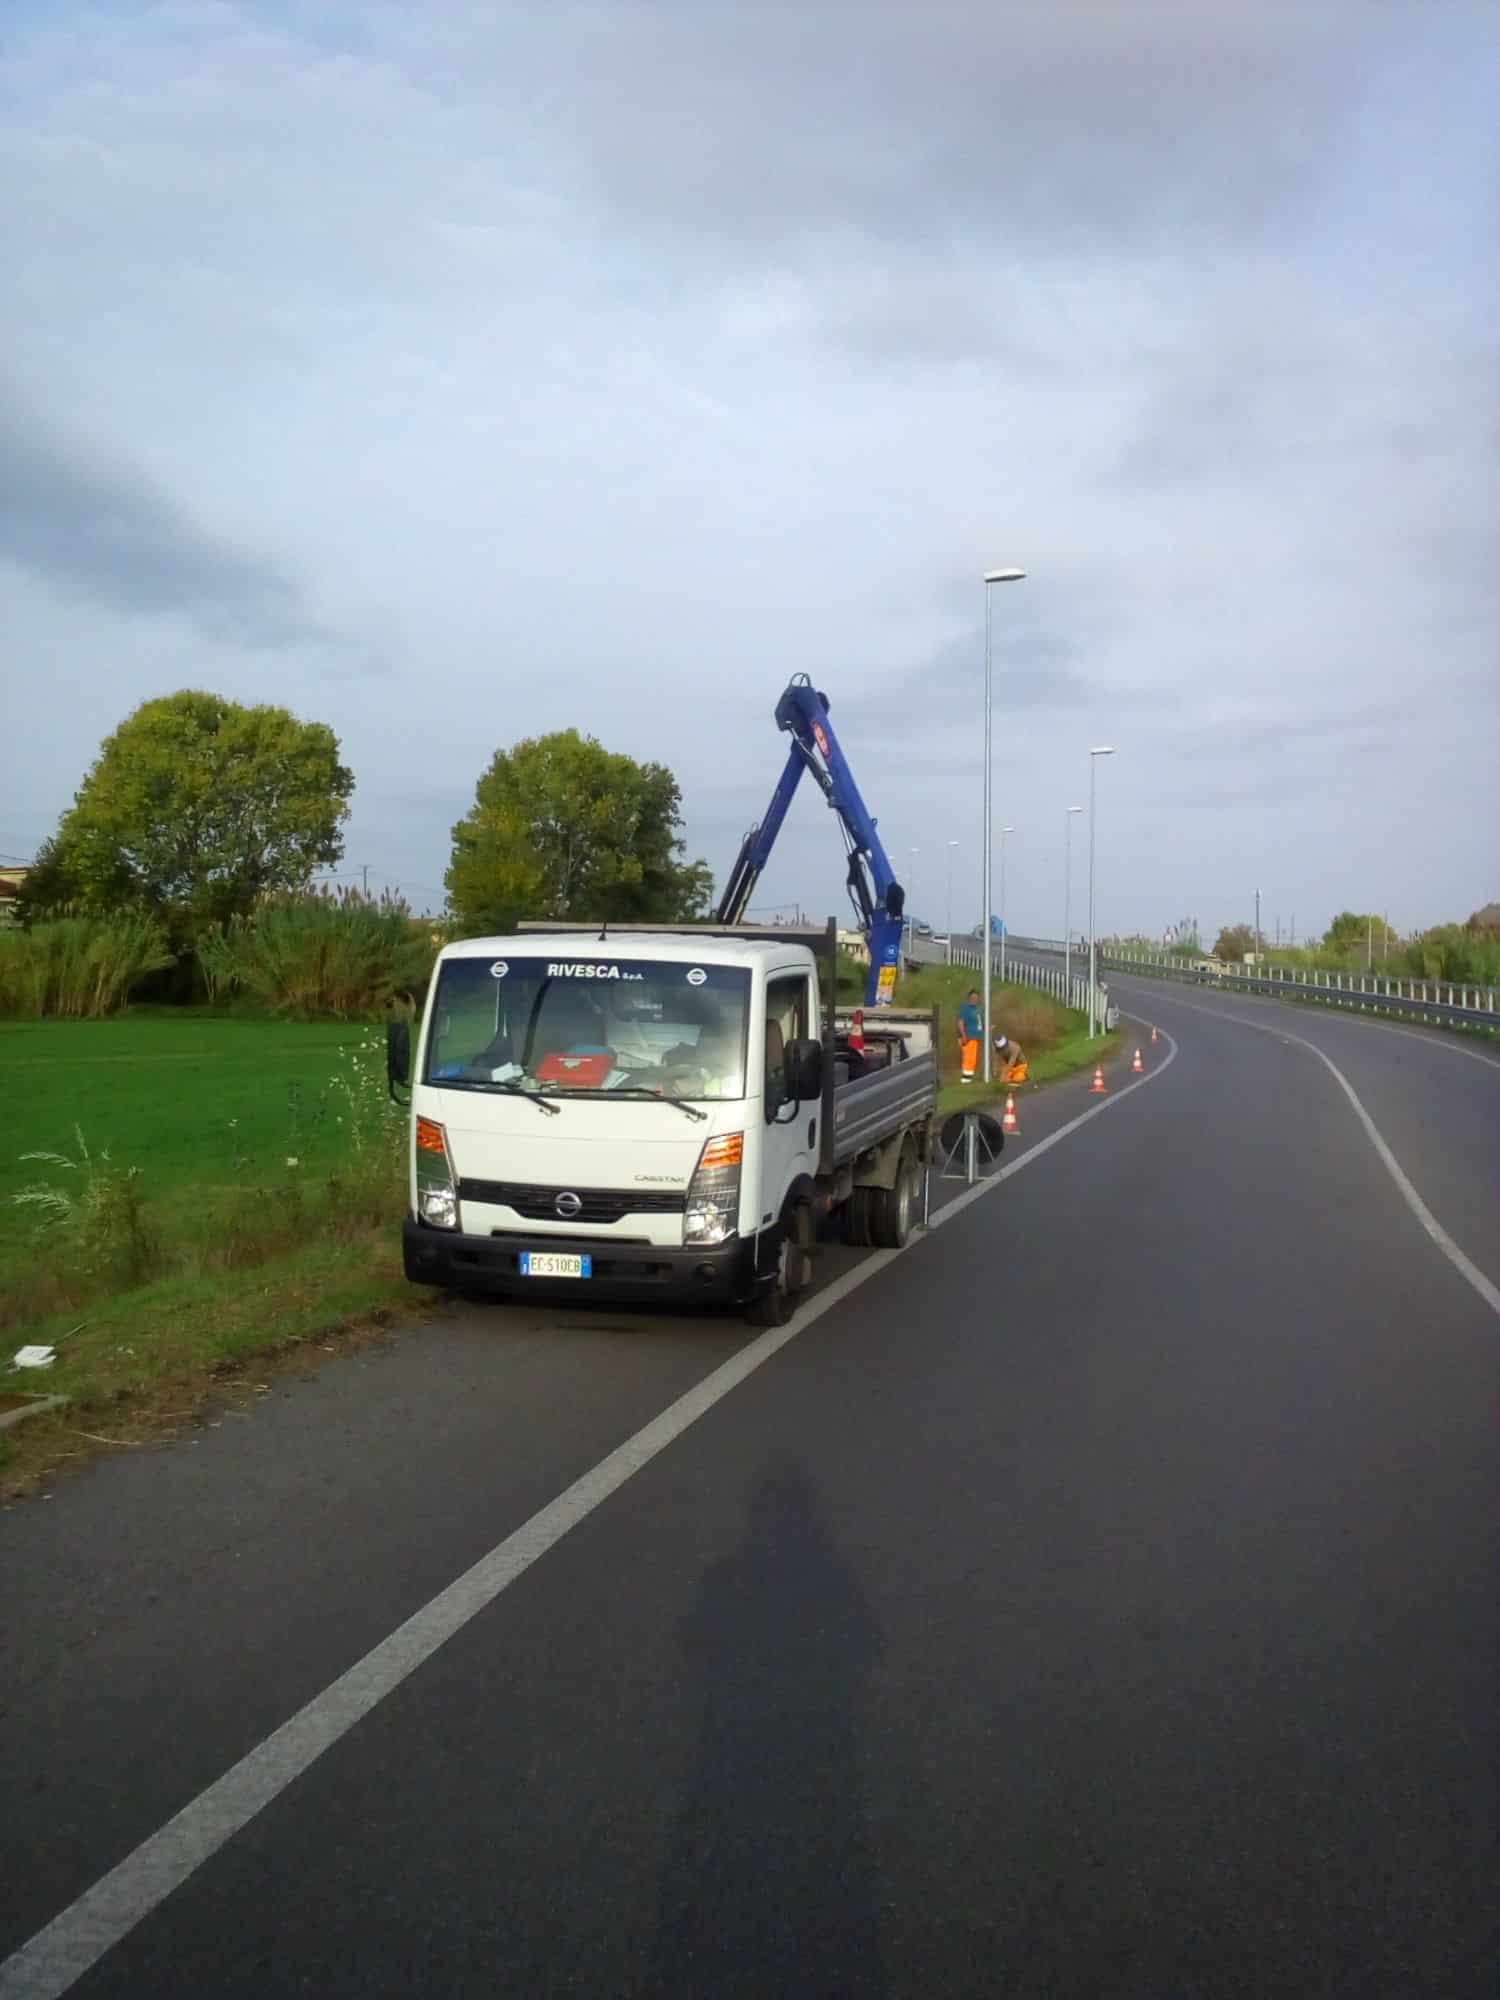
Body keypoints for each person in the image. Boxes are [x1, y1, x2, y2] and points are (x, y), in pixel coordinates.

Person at [956, 988, 982, 1082]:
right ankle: (965, 1079)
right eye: (973, 997)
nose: (975, 999)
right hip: (968, 1037)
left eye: (976, 997)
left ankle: (969, 1079)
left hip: (976, 1038)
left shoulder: (977, 1009)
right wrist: (963, 1035)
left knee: (973, 1059)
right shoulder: (965, 1008)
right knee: (968, 1058)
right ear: (969, 998)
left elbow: (979, 1023)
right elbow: (960, 1022)